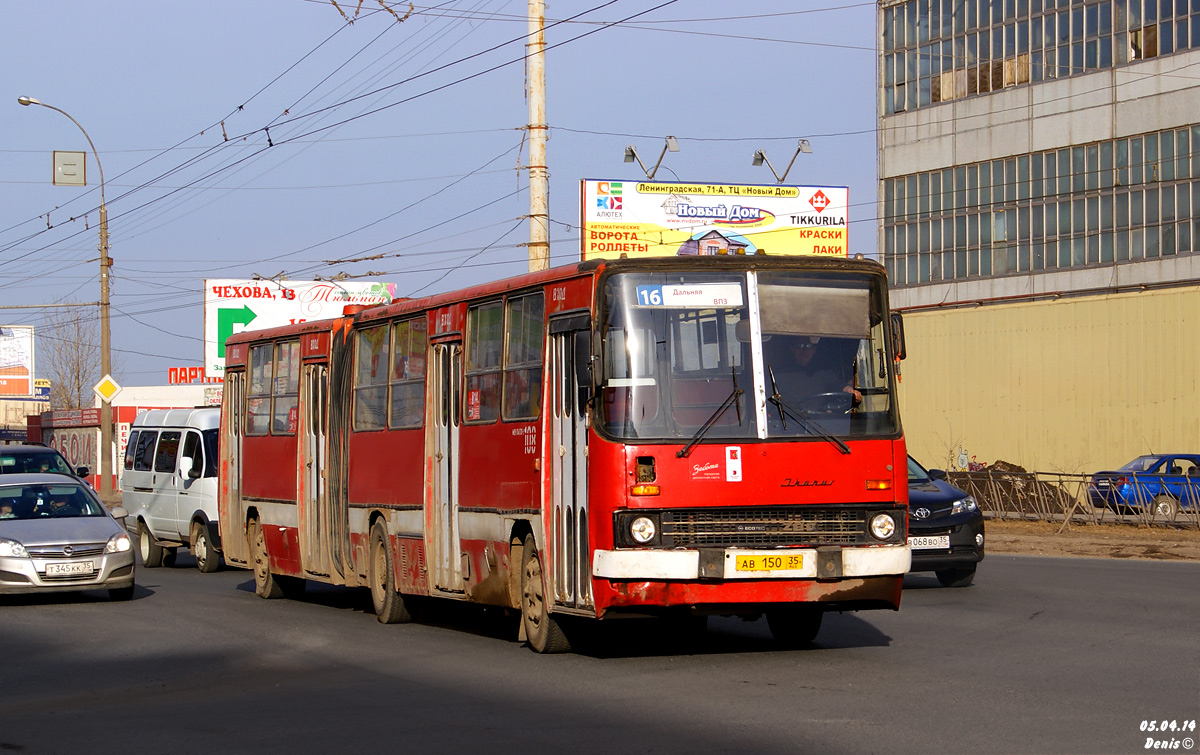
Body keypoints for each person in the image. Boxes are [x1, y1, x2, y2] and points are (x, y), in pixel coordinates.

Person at [774, 335, 861, 405]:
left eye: (809, 346)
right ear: (792, 348)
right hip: (790, 423)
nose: (805, 350)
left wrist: (850, 391)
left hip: (820, 423)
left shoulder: (822, 372)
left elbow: (837, 385)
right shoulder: (779, 375)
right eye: (800, 346)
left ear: (814, 350)